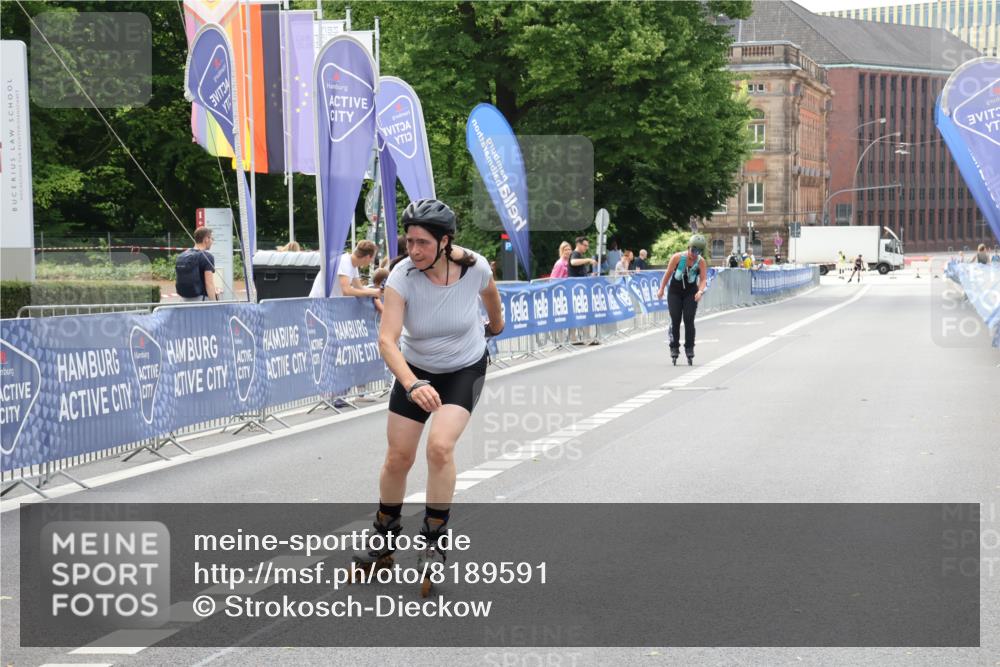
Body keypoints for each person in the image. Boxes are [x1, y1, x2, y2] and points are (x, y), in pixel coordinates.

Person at [352, 199, 503, 596]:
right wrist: (413, 383)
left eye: (422, 242)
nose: (413, 249)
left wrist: (496, 325)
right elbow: (387, 340)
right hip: (414, 370)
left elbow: (491, 295)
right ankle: (383, 539)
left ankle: (434, 541)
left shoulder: (475, 267)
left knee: (439, 448)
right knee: (398, 457)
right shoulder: (403, 275)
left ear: (445, 241)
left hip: (463, 368)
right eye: (409, 240)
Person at [656, 234, 708, 366]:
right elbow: (668, 274)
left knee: (689, 319)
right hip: (675, 291)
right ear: (688, 247)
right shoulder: (678, 258)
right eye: (693, 250)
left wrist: (700, 291)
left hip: (691, 292)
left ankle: (689, 347)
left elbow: (703, 279)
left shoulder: (701, 262)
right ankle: (674, 346)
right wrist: (661, 289)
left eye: (698, 252)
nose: (695, 254)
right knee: (675, 318)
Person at [308, 240, 382, 299]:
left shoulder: (353, 265)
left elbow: (360, 288)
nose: (372, 261)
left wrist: (378, 291)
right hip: (319, 302)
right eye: (373, 258)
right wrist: (372, 293)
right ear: (367, 257)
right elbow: (346, 291)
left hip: (327, 303)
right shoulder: (344, 262)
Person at [175, 227, 219, 302]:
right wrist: (214, 303)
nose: (212, 241)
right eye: (212, 239)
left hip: (184, 299)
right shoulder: (207, 257)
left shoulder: (182, 255)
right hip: (201, 300)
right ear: (206, 239)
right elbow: (209, 284)